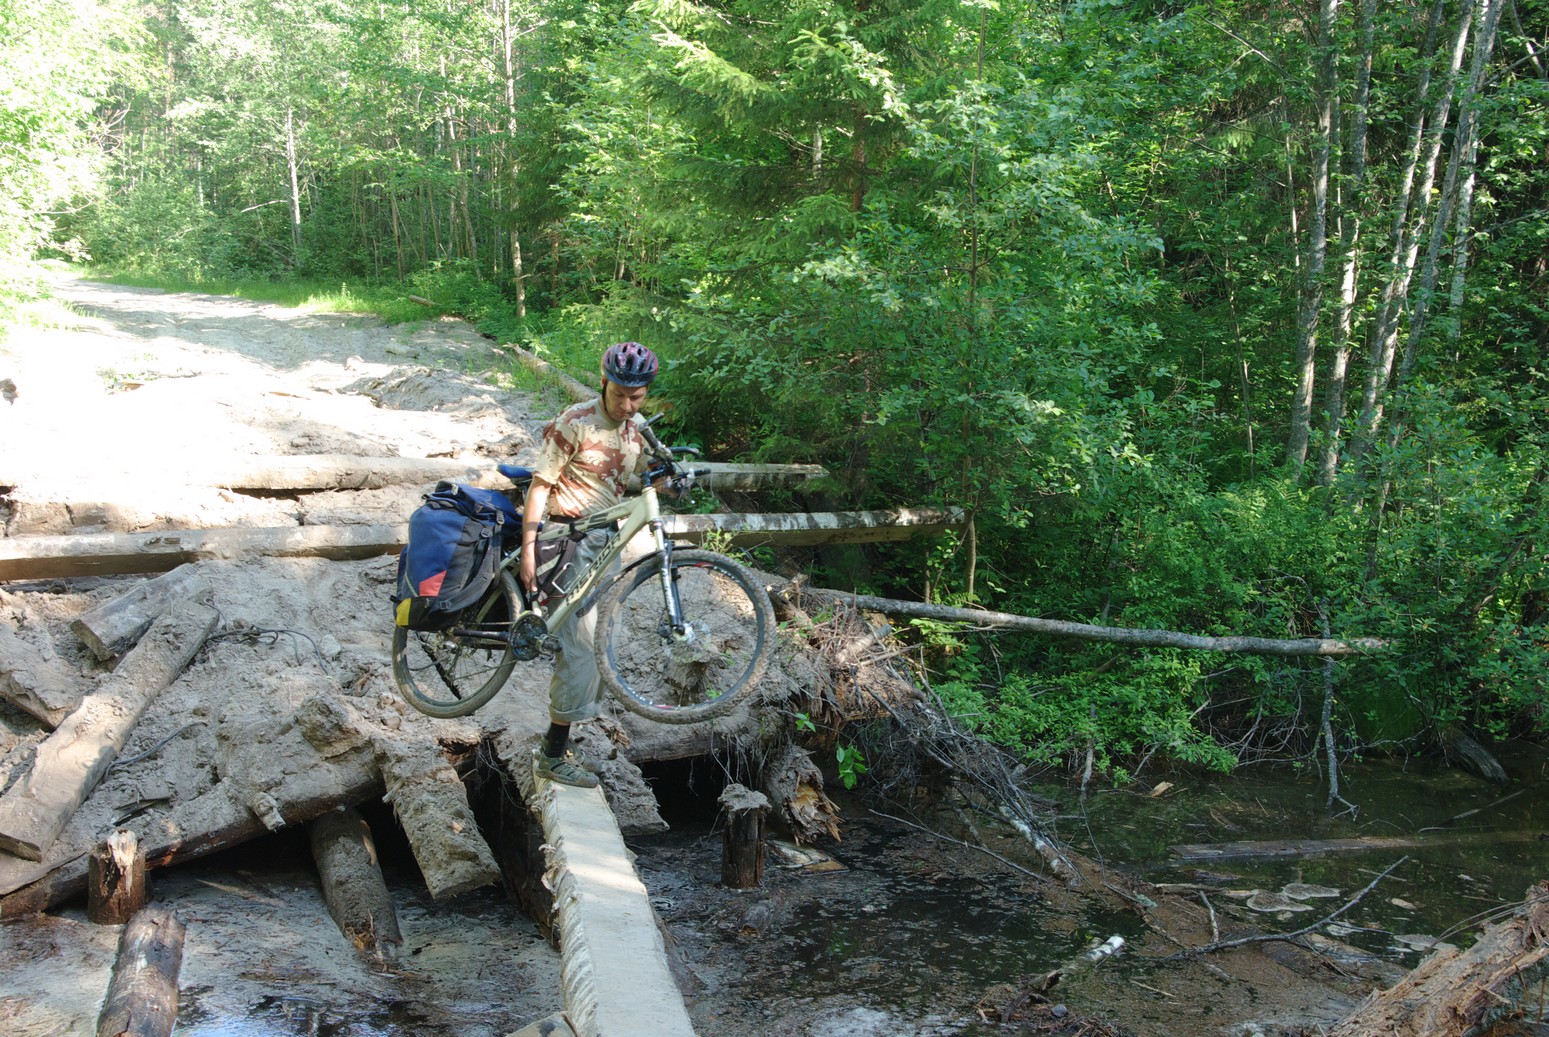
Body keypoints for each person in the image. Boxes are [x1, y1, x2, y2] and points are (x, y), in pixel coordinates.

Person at [519, 341, 659, 787]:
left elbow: (629, 480)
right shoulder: (575, 422)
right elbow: (540, 487)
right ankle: (551, 757)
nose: (627, 405)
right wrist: (528, 548)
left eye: (637, 397)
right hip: (566, 541)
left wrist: (667, 483)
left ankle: (560, 742)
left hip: (604, 543)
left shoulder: (634, 431)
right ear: (603, 383)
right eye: (619, 394)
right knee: (579, 647)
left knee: (599, 645)